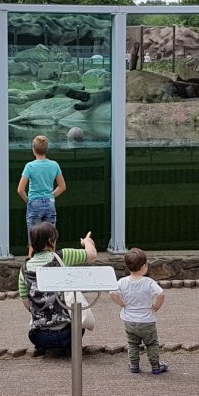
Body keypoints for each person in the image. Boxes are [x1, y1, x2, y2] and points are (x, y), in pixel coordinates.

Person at [18, 222, 97, 354]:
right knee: (77, 323)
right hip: (68, 334)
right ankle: (68, 346)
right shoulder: (63, 256)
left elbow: (27, 304)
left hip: (38, 337)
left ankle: (44, 346)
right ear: (51, 240)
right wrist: (87, 242)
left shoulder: (24, 269)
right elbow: (92, 255)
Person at [111, 247, 166, 375]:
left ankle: (134, 365)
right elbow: (161, 294)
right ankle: (155, 366)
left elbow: (112, 294)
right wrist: (157, 305)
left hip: (129, 320)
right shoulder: (149, 282)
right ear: (143, 266)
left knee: (132, 344)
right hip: (147, 321)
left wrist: (121, 303)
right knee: (151, 344)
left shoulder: (122, 282)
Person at [17, 135, 66, 258]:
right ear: (47, 149)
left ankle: (30, 265)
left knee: (33, 238)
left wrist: (29, 200)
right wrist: (50, 196)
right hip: (50, 203)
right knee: (51, 237)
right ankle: (52, 263)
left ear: (33, 149)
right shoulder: (54, 165)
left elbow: (20, 189)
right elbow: (62, 186)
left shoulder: (30, 166)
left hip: (34, 203)